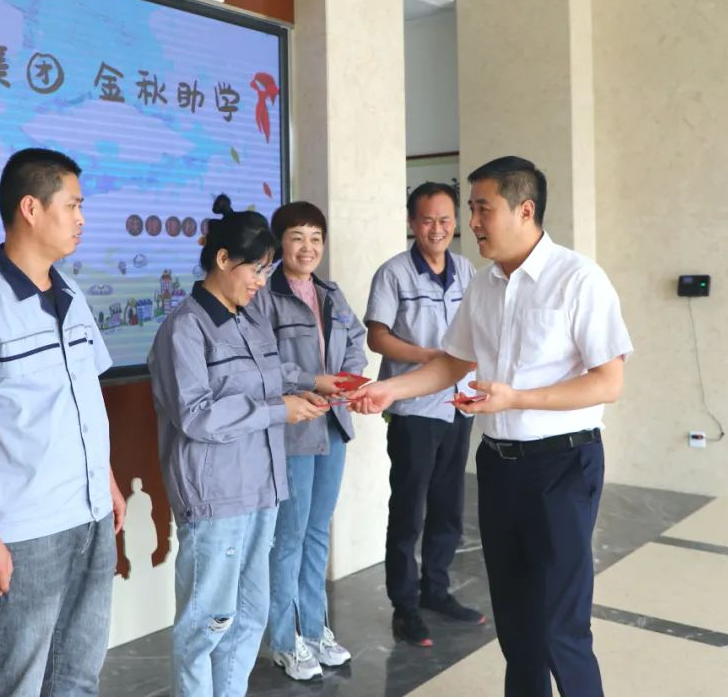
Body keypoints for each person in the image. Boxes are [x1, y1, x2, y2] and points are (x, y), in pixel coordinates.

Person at [352, 156, 632, 697]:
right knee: (517, 627)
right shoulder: (482, 285)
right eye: (471, 209)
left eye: (483, 209)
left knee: (560, 628)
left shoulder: (578, 279)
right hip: (500, 467)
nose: (472, 223)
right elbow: (452, 362)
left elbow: (608, 382)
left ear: (525, 210)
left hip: (563, 466)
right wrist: (391, 389)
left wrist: (517, 397)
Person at [0, 148, 127, 697]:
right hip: (25, 533)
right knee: (14, 684)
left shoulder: (72, 294)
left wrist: (104, 480)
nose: (82, 218)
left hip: (90, 518)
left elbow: (82, 397)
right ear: (31, 208)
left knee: (77, 678)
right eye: (72, 205)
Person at [148, 194, 328, 697]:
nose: (260, 281)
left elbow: (267, 374)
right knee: (206, 624)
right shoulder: (185, 329)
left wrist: (313, 381)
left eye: (267, 271)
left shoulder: (249, 318)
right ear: (223, 259)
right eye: (255, 269)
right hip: (217, 497)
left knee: (250, 616)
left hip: (262, 489)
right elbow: (196, 415)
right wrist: (278, 410)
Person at [364, 182, 484, 648]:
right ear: (412, 223)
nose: (437, 229)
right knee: (409, 510)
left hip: (458, 403)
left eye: (445, 220)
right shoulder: (394, 273)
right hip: (414, 406)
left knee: (449, 506)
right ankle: (405, 606)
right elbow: (377, 337)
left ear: (456, 223)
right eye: (428, 220)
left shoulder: (467, 270)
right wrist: (429, 357)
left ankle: (437, 589)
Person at [254, 201, 368, 680]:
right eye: (297, 237)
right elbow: (262, 362)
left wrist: (349, 378)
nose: (308, 247)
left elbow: (356, 339)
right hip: (293, 430)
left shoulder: (330, 293)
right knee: (290, 538)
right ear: (280, 243)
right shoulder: (266, 296)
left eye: (316, 238)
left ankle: (316, 631)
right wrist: (312, 381)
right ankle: (285, 641)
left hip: (333, 425)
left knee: (318, 531)